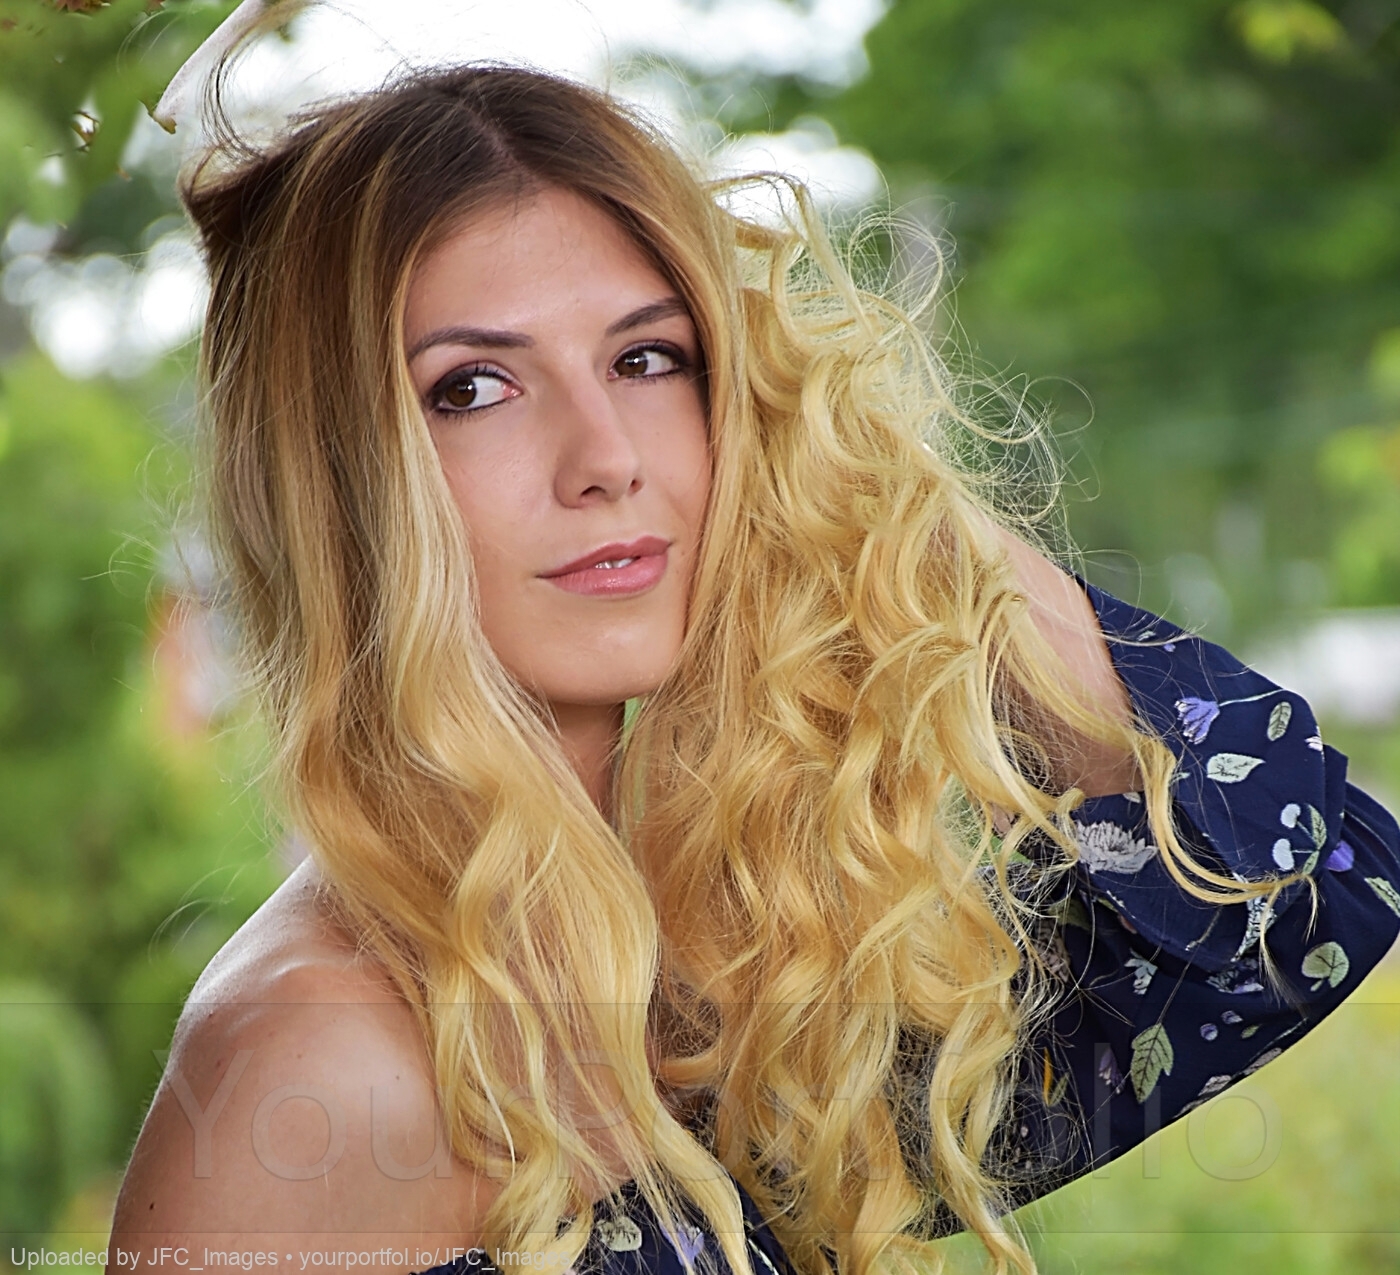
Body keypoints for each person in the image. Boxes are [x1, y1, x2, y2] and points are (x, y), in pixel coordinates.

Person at [108, 20, 1400, 1275]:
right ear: (331, 477)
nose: (607, 458)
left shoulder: (716, 971)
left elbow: (1298, 912)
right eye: (473, 387)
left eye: (649, 358)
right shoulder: (310, 1059)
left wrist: (849, 464)